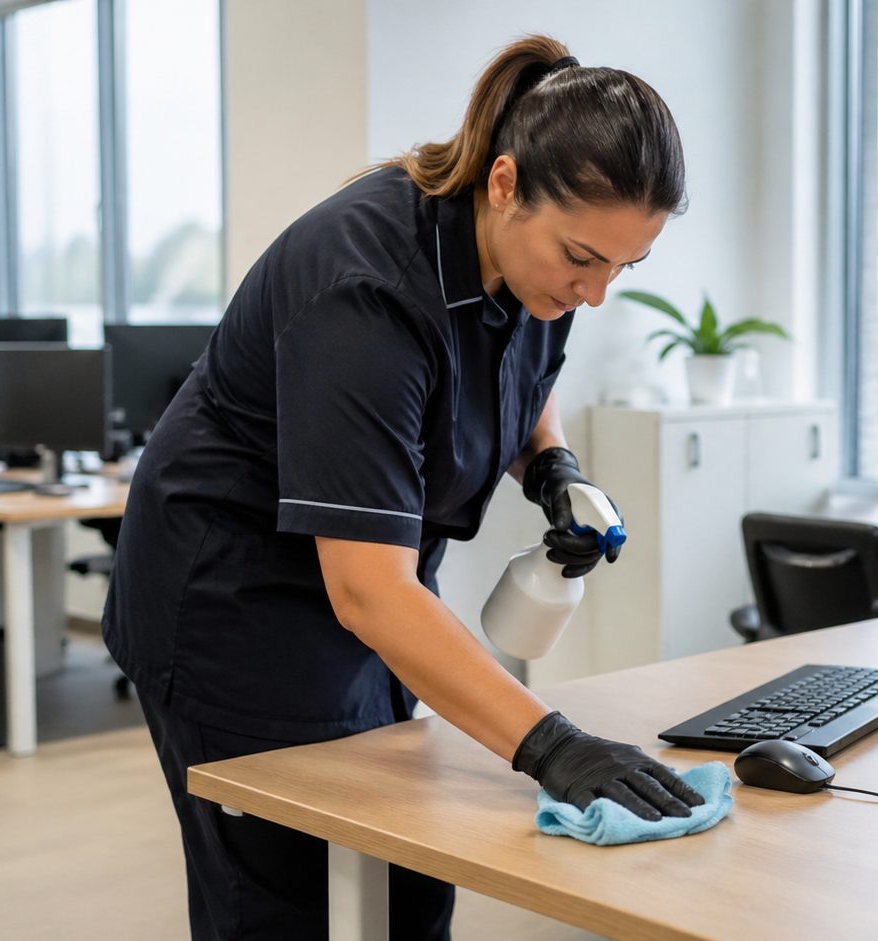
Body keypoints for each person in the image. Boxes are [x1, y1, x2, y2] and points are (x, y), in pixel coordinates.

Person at [102, 35, 703, 940]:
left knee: (409, 883)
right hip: (232, 597)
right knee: (288, 897)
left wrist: (552, 468)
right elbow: (366, 589)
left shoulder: (537, 272)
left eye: (625, 266)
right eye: (584, 257)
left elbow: (521, 377)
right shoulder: (367, 287)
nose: (597, 292)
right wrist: (554, 746)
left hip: (364, 588)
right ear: (503, 184)